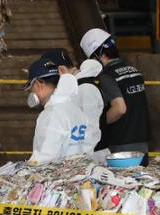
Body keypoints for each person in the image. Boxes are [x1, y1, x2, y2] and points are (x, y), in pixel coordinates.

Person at [80, 28, 151, 165]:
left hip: (122, 143)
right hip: (141, 140)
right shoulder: (134, 71)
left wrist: (98, 123)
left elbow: (119, 109)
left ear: (98, 55)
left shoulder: (107, 77)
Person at [25, 58, 90, 164]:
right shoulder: (75, 109)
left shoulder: (51, 114)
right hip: (77, 172)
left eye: (31, 87)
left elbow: (44, 157)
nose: (31, 92)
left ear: (38, 84)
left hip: (57, 177)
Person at [40, 48, 103, 154]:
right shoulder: (72, 90)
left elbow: (91, 131)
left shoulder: (86, 89)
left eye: (52, 78)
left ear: (62, 70)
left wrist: (80, 160)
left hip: (93, 156)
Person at [75, 59, 105, 154]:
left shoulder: (82, 87)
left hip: (87, 148)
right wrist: (87, 153)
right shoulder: (88, 89)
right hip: (94, 150)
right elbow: (91, 124)